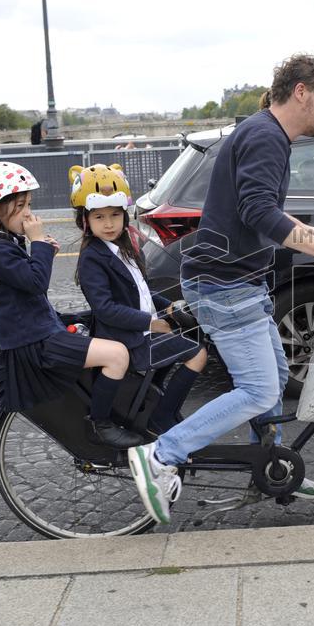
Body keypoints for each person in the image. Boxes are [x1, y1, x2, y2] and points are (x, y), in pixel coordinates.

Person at [128, 53, 314, 525]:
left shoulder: (265, 133)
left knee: (272, 380)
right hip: (224, 286)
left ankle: (271, 468)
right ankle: (160, 456)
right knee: (259, 389)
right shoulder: (264, 137)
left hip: (235, 282)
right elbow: (259, 212)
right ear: (302, 92)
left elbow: (261, 214)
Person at [0, 161, 142, 448]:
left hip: (41, 330)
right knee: (117, 354)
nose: (28, 213)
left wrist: (40, 249)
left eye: (28, 204)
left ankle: (116, 406)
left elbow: (26, 284)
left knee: (99, 323)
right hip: (35, 344)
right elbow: (36, 283)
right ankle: (100, 424)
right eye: (19, 206)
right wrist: (39, 245)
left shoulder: (0, 241)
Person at [71, 163, 208, 437]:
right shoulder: (92, 258)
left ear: (124, 215)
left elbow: (141, 290)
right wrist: (152, 323)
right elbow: (106, 310)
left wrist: (165, 305)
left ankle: (153, 405)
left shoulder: (124, 248)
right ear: (86, 221)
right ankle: (162, 415)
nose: (108, 224)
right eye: (99, 217)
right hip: (128, 341)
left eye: (114, 215)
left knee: (183, 350)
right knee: (198, 355)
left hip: (142, 332)